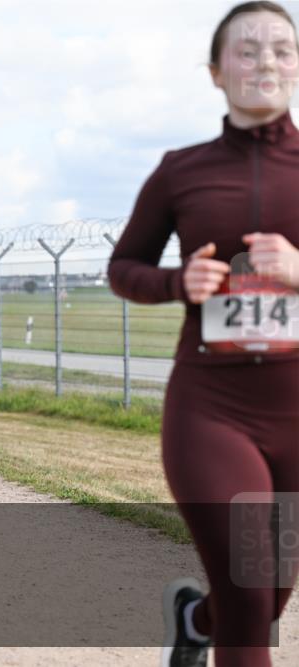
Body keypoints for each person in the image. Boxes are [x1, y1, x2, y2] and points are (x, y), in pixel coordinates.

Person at [108, 4, 299, 666]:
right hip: (211, 408)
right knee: (250, 593)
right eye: (246, 51)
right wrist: (176, 281)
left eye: (281, 48)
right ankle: (214, 615)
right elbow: (123, 267)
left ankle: (195, 617)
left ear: (297, 67)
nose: (265, 61)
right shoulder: (179, 169)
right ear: (217, 73)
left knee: (268, 591)